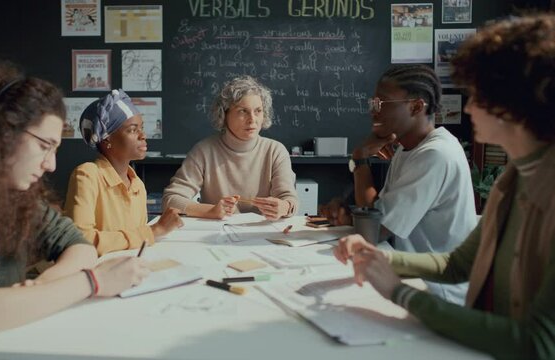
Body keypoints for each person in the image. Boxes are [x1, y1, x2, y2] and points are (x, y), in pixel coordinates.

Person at [335, 14, 555, 359]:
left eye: (480, 95)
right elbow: (457, 265)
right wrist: (380, 259)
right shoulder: (514, 178)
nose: (468, 107)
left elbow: (537, 344)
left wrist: (399, 292)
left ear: (520, 101)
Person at [0, 62, 149, 358]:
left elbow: (78, 244)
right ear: (2, 132)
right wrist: (94, 281)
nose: (50, 165)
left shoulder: (12, 192)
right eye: (44, 146)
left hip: (2, 346)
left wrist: (40, 286)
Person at [322, 64, 477, 304]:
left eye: (382, 104)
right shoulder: (409, 147)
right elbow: (375, 212)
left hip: (436, 289)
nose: (374, 112)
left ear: (416, 106)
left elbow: (375, 230)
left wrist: (361, 159)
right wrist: (350, 215)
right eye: (373, 103)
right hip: (407, 272)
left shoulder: (435, 154)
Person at [161, 75, 299, 220]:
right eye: (242, 111)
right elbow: (170, 200)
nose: (252, 119)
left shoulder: (275, 151)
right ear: (224, 114)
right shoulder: (204, 151)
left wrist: (285, 207)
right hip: (216, 234)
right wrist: (210, 211)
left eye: (258, 111)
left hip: (262, 233)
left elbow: (289, 198)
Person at [64, 89, 183, 256]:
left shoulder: (137, 185)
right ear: (107, 140)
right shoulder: (87, 175)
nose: (143, 136)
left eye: (141, 128)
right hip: (97, 274)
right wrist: (154, 231)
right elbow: (80, 240)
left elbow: (139, 245)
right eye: (133, 130)